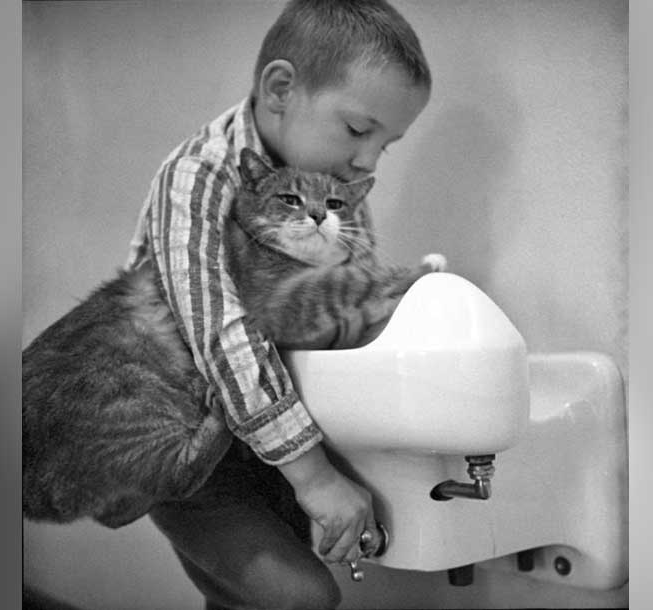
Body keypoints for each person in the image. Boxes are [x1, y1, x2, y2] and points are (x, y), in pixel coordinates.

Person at [125, 1, 431, 608]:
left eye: (386, 146)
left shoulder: (334, 190)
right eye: (358, 130)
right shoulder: (199, 175)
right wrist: (314, 477)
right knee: (301, 596)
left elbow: (344, 302)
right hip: (180, 442)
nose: (367, 161)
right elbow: (220, 330)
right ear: (282, 88)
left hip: (262, 439)